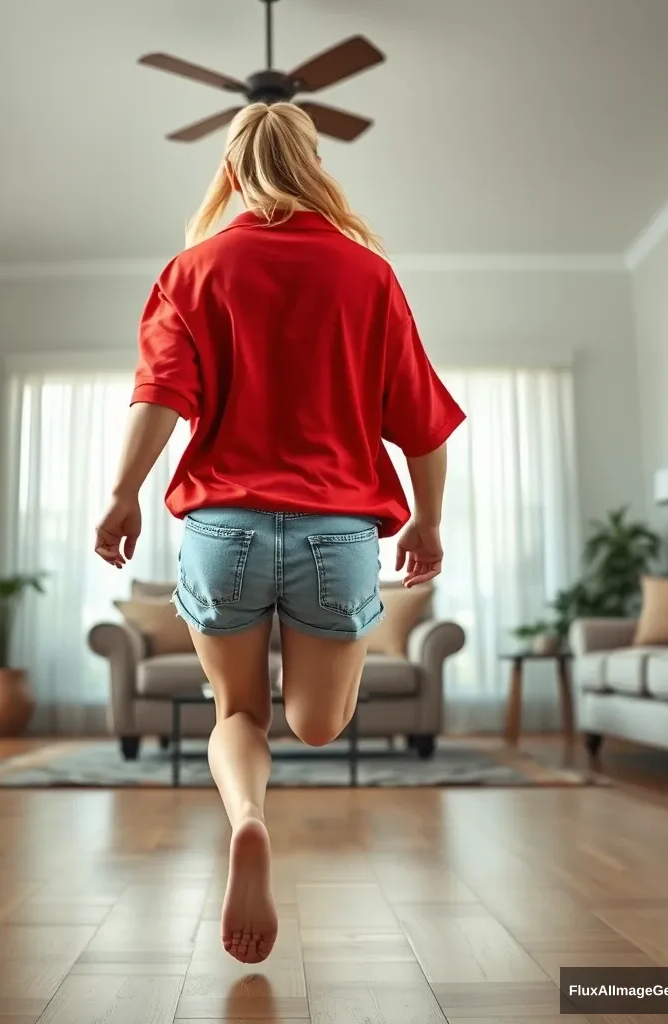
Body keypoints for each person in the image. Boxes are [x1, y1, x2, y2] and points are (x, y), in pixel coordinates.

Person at [94, 102, 465, 965]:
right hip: (338, 533)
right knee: (319, 723)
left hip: (221, 529)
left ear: (231, 169)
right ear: (311, 164)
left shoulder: (193, 269)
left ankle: (249, 819)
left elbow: (159, 397)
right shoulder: (367, 275)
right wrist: (431, 521)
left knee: (238, 710)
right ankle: (288, 762)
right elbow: (423, 423)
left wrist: (122, 495)